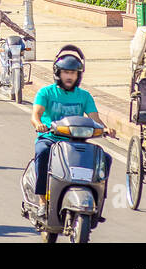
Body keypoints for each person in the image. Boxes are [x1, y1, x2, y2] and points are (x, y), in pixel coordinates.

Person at [30, 48, 105, 218]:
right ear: (58, 73)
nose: (69, 76)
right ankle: (42, 200)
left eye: (73, 73)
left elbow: (95, 119)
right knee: (42, 152)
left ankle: (98, 203)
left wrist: (105, 129)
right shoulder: (46, 92)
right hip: (50, 139)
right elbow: (36, 115)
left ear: (79, 76)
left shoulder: (84, 96)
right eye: (66, 72)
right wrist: (39, 124)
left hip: (77, 141)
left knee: (104, 159)